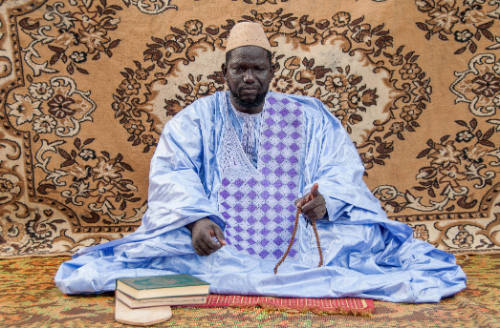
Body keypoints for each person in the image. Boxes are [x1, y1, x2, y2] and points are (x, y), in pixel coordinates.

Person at [55, 22, 466, 303]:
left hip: (301, 235)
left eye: (257, 68)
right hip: (220, 234)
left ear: (273, 71)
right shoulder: (197, 118)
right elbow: (173, 171)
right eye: (239, 69)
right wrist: (195, 219)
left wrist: (329, 202)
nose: (248, 77)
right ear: (225, 72)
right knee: (155, 252)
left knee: (362, 245)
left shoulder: (310, 114)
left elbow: (341, 167)